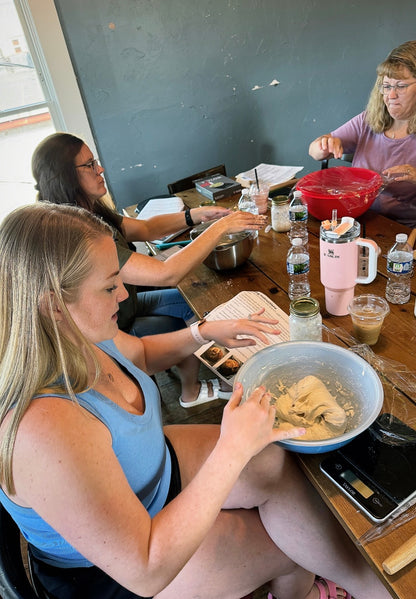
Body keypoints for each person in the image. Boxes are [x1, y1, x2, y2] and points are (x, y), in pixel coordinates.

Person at [0, 203, 392, 599]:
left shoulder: (80, 329)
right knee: (288, 548)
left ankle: (368, 586)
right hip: (118, 570)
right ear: (52, 304)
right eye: (108, 287)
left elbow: (141, 354)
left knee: (275, 462)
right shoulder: (42, 428)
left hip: (149, 476)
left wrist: (203, 333)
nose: (123, 294)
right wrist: (232, 449)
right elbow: (145, 568)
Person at [32, 132, 267, 407]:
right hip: (115, 325)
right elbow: (166, 274)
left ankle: (217, 367)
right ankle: (190, 393)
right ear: (65, 176)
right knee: (185, 323)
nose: (100, 169)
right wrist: (219, 228)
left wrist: (195, 216)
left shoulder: (89, 212)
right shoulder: (77, 237)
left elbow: (145, 228)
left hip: (130, 305)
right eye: (90, 165)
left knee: (193, 301)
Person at [309, 40, 416, 227]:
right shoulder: (368, 120)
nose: (390, 96)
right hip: (356, 219)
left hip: (401, 230)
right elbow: (314, 151)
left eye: (400, 86)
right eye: (386, 86)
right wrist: (324, 144)